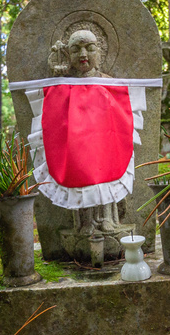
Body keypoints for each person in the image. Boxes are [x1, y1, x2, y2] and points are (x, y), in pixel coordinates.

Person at [50, 30, 120, 236]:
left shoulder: (107, 80)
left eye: (89, 49)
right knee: (80, 176)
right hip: (78, 138)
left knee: (106, 176)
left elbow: (116, 108)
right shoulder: (66, 82)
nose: (83, 54)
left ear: (99, 53)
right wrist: (56, 70)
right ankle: (86, 221)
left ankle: (106, 217)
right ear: (67, 55)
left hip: (103, 137)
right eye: (75, 50)